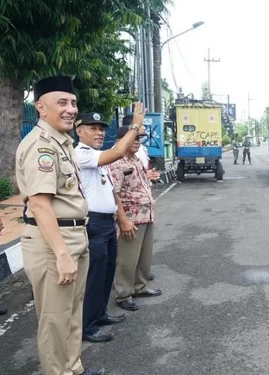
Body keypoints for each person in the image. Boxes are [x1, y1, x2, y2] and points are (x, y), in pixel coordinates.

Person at [16, 75, 104, 375]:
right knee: (54, 319)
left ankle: (73, 368)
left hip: (74, 235)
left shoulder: (62, 141)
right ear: (40, 107)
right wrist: (62, 254)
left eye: (73, 103)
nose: (70, 109)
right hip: (53, 243)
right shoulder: (40, 147)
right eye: (62, 102)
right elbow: (40, 205)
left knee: (72, 313)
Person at [74, 105, 146, 343]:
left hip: (106, 222)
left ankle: (100, 314)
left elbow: (111, 188)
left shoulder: (97, 155)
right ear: (79, 131)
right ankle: (87, 325)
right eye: (92, 128)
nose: (99, 133)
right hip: (93, 223)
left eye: (101, 129)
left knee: (106, 274)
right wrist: (135, 125)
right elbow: (118, 152)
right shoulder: (82, 154)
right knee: (94, 276)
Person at [109, 127, 162, 312]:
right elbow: (113, 192)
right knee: (127, 258)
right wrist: (122, 220)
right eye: (133, 138)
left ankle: (140, 287)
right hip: (131, 218)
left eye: (139, 138)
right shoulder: (116, 162)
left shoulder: (136, 159)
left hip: (146, 214)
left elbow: (140, 184)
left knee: (144, 257)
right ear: (121, 140)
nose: (137, 141)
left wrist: (150, 179)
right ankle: (123, 293)